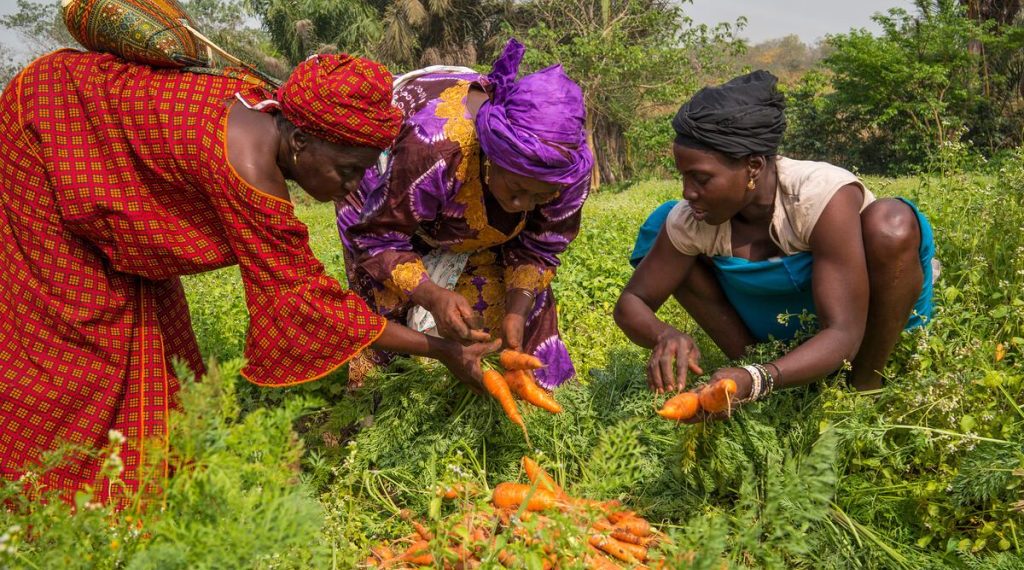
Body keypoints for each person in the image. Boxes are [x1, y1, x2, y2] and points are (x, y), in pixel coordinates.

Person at [0, 49, 496, 503]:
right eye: (346, 171)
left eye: (364, 172)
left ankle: (154, 480)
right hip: (46, 134)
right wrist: (441, 350)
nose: (352, 187)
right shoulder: (248, 171)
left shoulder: (269, 115)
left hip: (83, 122)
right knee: (80, 335)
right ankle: (45, 496)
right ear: (301, 140)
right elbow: (306, 305)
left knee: (162, 335)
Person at [614, 71, 936, 412]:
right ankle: (757, 368)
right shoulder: (693, 218)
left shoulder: (819, 194)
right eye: (683, 176)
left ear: (753, 166)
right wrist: (664, 334)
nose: (687, 191)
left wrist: (757, 379)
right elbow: (632, 301)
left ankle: (864, 387)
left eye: (701, 178)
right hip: (777, 324)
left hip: (861, 325)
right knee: (662, 224)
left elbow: (844, 332)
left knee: (891, 223)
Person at [337, 39, 593, 388]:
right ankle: (385, 401)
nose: (524, 206)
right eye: (516, 190)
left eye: (541, 195)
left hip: (456, 199)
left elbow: (539, 248)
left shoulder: (568, 172)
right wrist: (432, 295)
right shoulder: (435, 148)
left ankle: (515, 395)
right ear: (490, 157)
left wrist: (517, 309)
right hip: (385, 194)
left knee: (510, 319)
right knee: (388, 308)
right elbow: (378, 239)